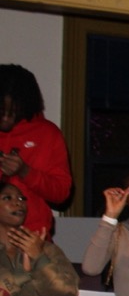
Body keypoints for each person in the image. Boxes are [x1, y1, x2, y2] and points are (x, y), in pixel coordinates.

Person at [0, 65, 73, 235]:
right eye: (1, 110)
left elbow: (61, 193)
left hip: (32, 239)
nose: (5, 118)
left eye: (13, 111)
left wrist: (25, 172)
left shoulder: (47, 133)